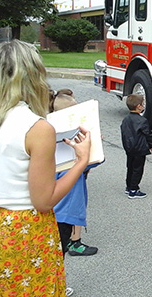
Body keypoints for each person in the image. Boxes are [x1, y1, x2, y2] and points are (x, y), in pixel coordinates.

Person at [0, 40, 91, 296]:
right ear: (33, 76)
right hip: (24, 231)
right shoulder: (36, 127)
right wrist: (81, 161)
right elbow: (43, 200)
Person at [51, 92, 100, 258]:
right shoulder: (67, 144)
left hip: (58, 210)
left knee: (55, 254)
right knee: (57, 254)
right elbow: (85, 164)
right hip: (63, 210)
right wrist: (92, 149)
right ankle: (58, 285)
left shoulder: (54, 138)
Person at [121, 94, 152, 199]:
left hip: (129, 147)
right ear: (139, 106)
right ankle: (134, 189)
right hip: (140, 149)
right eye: (143, 103)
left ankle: (129, 185)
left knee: (130, 167)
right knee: (138, 169)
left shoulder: (126, 119)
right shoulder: (142, 121)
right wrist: (151, 145)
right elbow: (148, 134)